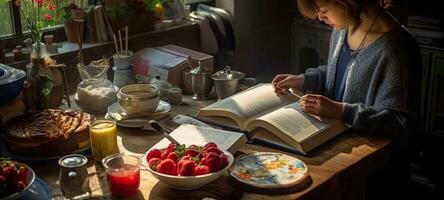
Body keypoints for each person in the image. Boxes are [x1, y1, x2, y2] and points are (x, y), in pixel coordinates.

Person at [272, 0, 422, 198]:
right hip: (336, 152)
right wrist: (304, 79)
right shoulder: (343, 29)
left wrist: (341, 111)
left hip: (373, 175)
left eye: (323, 10)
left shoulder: (397, 48)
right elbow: (341, 76)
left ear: (347, 1)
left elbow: (400, 124)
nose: (320, 17)